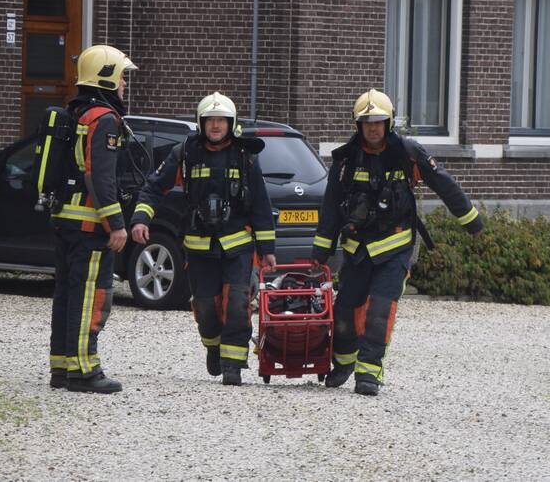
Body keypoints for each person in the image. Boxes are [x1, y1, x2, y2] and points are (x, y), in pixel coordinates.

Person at [311, 89, 483, 396]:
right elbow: (330, 206)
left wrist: (471, 220)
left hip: (394, 247)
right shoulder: (345, 160)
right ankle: (344, 362)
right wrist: (321, 250)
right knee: (345, 315)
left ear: (389, 122)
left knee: (379, 310)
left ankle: (369, 373)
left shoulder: (408, 152)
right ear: (358, 125)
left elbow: (443, 182)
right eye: (367, 123)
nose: (373, 128)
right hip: (357, 250)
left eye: (378, 121)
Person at [130, 92, 276, 386]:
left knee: (237, 303)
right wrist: (140, 218)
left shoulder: (245, 156)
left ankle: (233, 363)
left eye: (221, 120)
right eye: (210, 120)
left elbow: (260, 205)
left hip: (238, 247)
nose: (216, 125)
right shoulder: (186, 153)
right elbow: (153, 187)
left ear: (231, 123)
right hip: (198, 247)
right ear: (201, 123)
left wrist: (267, 249)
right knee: (207, 308)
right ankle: (213, 345)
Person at [49, 44, 136, 394]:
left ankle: (61, 366)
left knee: (67, 296)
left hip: (65, 220)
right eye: (121, 77)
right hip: (89, 226)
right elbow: (99, 176)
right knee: (91, 297)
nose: (124, 85)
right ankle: (84, 371)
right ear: (106, 77)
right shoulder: (104, 119)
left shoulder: (76, 113)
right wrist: (115, 224)